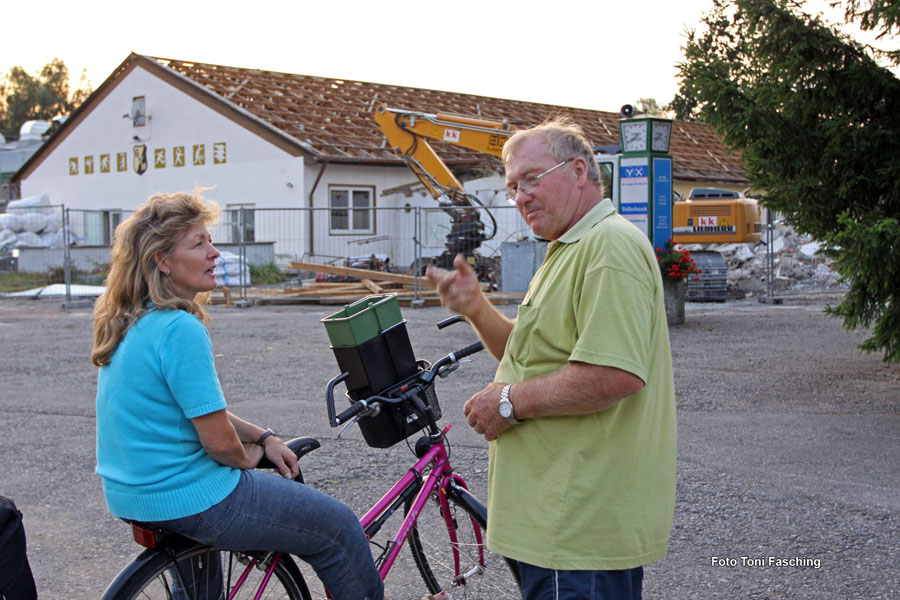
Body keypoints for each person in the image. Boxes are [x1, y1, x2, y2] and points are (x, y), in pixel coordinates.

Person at [426, 118, 677, 599]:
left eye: (533, 178)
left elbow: (613, 374)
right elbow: (531, 351)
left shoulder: (608, 248)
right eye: (514, 186)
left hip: (576, 528)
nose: (521, 196)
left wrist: (507, 402)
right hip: (553, 525)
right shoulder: (569, 247)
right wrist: (475, 307)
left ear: (579, 170)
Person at [92, 190, 384, 600]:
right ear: (162, 261)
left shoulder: (132, 322)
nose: (215, 253)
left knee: (200, 593)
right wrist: (247, 457)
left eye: (210, 241)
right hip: (189, 494)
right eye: (199, 244)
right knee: (337, 529)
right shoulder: (180, 329)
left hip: (135, 494)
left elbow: (201, 411)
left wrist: (262, 437)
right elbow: (219, 443)